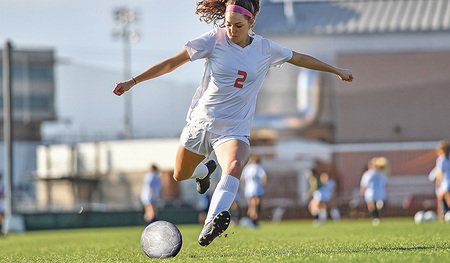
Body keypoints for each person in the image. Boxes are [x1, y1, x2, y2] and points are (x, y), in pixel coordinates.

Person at [113, 0, 353, 246]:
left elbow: (299, 58)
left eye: (238, 25)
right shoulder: (213, 39)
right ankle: (204, 171)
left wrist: (335, 70)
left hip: (233, 129)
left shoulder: (265, 49)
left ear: (251, 23)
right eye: (228, 24)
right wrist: (134, 81)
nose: (232, 30)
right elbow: (172, 62)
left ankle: (212, 220)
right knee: (179, 174)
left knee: (236, 164)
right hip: (201, 123)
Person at [360, 157, 388, 226]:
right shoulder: (382, 173)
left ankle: (375, 218)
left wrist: (362, 191)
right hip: (380, 192)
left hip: (371, 192)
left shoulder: (368, 174)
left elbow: (364, 184)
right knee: (378, 205)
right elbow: (385, 183)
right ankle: (379, 207)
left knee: (371, 205)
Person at [241, 155, 267, 227]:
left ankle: (251, 218)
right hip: (257, 188)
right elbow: (264, 177)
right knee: (256, 204)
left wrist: (245, 186)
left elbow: (243, 178)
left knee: (251, 204)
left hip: (248, 189)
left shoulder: (247, 168)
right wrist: (263, 185)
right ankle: (254, 219)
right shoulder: (259, 167)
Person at [432, 140, 450, 217]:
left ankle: (441, 215)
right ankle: (443, 214)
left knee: (444, 198)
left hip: (446, 182)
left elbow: (439, 174)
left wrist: (438, 184)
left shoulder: (441, 159)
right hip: (447, 181)